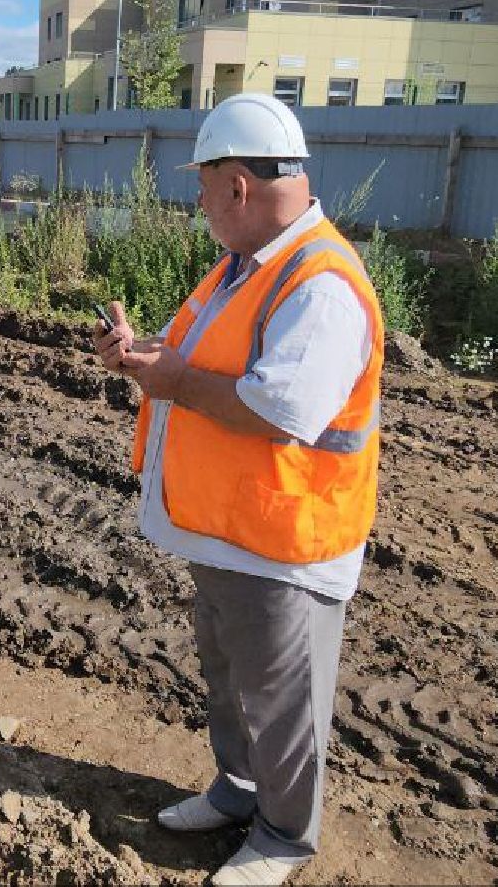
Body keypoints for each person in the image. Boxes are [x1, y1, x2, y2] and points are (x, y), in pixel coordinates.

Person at [91, 93, 384, 887]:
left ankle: (284, 837)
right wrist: (144, 355)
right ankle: (237, 792)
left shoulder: (318, 284)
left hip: (283, 540)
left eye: (201, 184)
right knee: (229, 680)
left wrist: (175, 379)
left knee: (281, 701)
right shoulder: (244, 268)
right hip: (227, 527)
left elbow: (282, 408)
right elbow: (200, 360)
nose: (197, 202)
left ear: (237, 186)